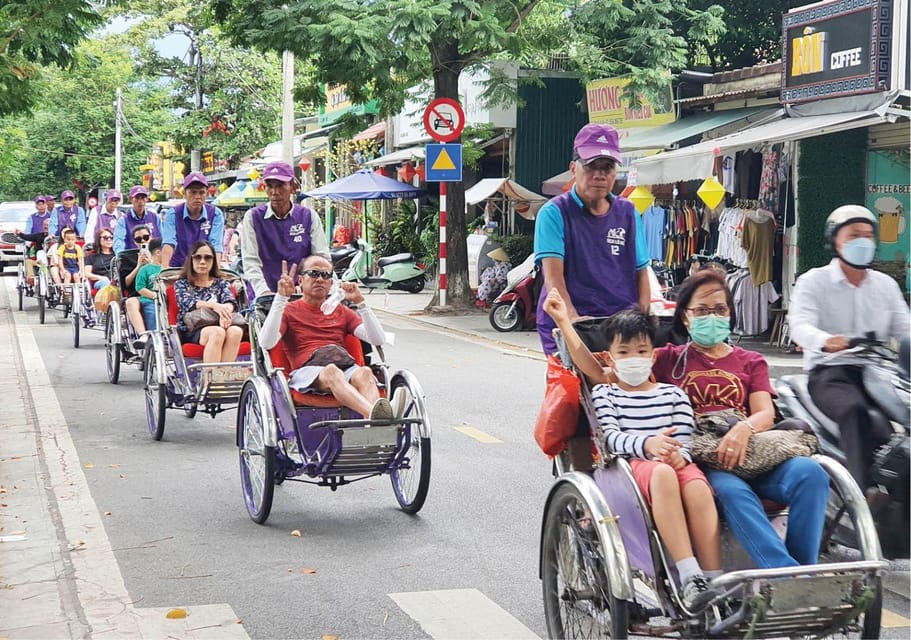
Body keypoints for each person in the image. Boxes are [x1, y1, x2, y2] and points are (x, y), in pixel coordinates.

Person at [544, 297, 722, 610]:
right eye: (623, 353)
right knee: (664, 474)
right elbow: (611, 438)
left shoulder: (673, 394)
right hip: (627, 469)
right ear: (610, 359)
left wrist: (680, 453)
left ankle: (715, 578)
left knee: (697, 487)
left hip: (671, 462)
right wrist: (649, 445)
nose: (633, 359)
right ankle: (690, 576)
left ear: (653, 355)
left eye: (641, 352)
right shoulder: (606, 393)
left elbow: (685, 434)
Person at [788, 205, 911, 494]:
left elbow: (905, 330)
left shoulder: (885, 286)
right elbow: (800, 325)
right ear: (835, 240)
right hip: (830, 373)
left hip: (879, 372)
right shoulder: (813, 281)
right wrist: (826, 340)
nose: (863, 241)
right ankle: (862, 491)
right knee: (855, 412)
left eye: (868, 235)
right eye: (854, 235)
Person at [534, 123, 650, 354]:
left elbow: (642, 273)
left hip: (620, 324)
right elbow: (554, 279)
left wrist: (644, 321)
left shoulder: (628, 213)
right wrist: (573, 321)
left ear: (616, 172)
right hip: (570, 319)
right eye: (591, 167)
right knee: (575, 387)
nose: (599, 175)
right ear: (573, 168)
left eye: (607, 168)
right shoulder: (554, 213)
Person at [258, 256, 396, 420]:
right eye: (314, 273)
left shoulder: (342, 312)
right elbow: (266, 342)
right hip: (306, 372)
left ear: (331, 283)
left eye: (326, 275)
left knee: (365, 372)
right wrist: (280, 298)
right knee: (332, 371)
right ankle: (375, 415)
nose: (320, 279)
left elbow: (378, 340)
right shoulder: (289, 311)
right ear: (301, 280)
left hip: (343, 367)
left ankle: (373, 423)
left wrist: (361, 303)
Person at [240, 160, 330, 297]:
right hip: (265, 293)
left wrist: (309, 286)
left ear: (293, 187)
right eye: (269, 186)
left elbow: (321, 257)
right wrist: (264, 292)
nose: (274, 192)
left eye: (281, 186)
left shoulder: (309, 216)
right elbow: (251, 261)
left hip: (302, 294)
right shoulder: (253, 217)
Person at [173, 240, 243, 364]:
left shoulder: (221, 283)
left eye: (208, 258)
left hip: (221, 322)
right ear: (191, 260)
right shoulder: (182, 284)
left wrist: (225, 312)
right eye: (198, 257)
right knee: (217, 332)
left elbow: (230, 301)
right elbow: (188, 302)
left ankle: (222, 377)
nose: (202, 262)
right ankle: (209, 380)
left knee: (236, 331)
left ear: (213, 261)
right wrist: (215, 306)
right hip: (194, 328)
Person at [160, 172, 225, 267]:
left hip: (204, 268)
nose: (197, 197)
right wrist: (164, 270)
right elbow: (169, 243)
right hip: (178, 267)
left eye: (201, 192)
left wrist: (216, 270)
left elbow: (216, 245)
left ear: (207, 194)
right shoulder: (172, 214)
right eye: (193, 192)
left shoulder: (216, 214)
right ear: (184, 194)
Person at [126, 237, 164, 336]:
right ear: (158, 252)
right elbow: (140, 287)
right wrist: (154, 295)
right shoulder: (145, 269)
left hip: (167, 298)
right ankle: (152, 335)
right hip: (150, 300)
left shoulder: (170, 268)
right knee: (153, 312)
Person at [113, 185, 161, 253]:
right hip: (132, 258)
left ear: (147, 199)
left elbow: (163, 239)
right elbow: (118, 241)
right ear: (130, 199)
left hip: (154, 257)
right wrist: (121, 256)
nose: (140, 201)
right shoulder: (124, 220)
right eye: (137, 198)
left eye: (143, 198)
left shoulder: (155, 218)